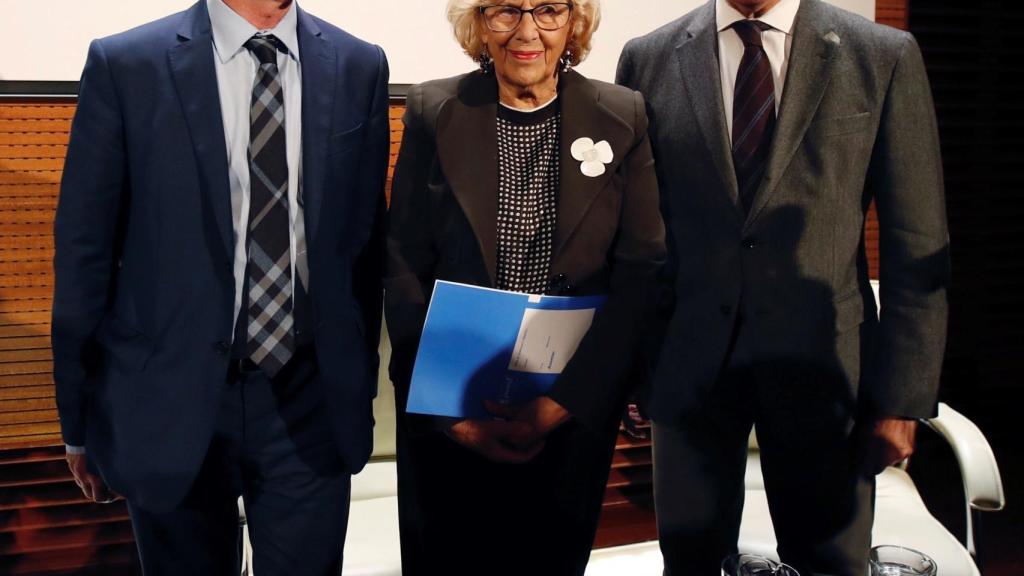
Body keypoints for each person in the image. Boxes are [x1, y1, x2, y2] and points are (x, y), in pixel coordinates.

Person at [52, 0, 388, 573]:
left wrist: (356, 385)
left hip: (308, 399)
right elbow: (86, 250)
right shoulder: (129, 62)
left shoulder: (358, 63)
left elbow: (365, 244)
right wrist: (79, 419)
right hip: (169, 398)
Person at [616, 0, 949, 574]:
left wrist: (901, 399)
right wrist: (634, 366)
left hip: (826, 370)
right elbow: (636, 233)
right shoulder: (647, 58)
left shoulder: (882, 56)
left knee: (830, 562)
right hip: (688, 369)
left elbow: (916, 243)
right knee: (691, 561)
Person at [384, 1, 666, 574]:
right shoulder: (434, 108)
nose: (527, 31)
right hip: (451, 412)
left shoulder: (623, 114)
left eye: (548, 10)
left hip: (569, 410)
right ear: (479, 24)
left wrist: (566, 402)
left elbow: (642, 272)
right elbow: (402, 263)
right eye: (505, 11)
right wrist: (446, 409)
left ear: (574, 22)